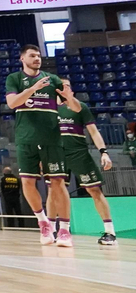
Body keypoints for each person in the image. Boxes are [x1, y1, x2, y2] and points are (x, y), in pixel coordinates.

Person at [4, 44, 72, 247]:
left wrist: (68, 96)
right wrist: (33, 89)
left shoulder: (52, 79)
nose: (37, 59)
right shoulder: (14, 79)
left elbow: (69, 103)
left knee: (58, 184)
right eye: (32, 56)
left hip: (51, 138)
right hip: (26, 138)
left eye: (39, 55)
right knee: (27, 182)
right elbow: (12, 103)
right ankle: (43, 222)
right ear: (22, 59)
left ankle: (65, 230)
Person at [57, 85, 119, 245]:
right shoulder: (50, 110)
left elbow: (94, 131)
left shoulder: (80, 107)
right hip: (58, 154)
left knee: (94, 190)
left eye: (67, 86)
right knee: (56, 191)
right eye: (60, 86)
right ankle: (62, 230)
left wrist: (103, 152)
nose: (64, 89)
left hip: (79, 153)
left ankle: (110, 231)